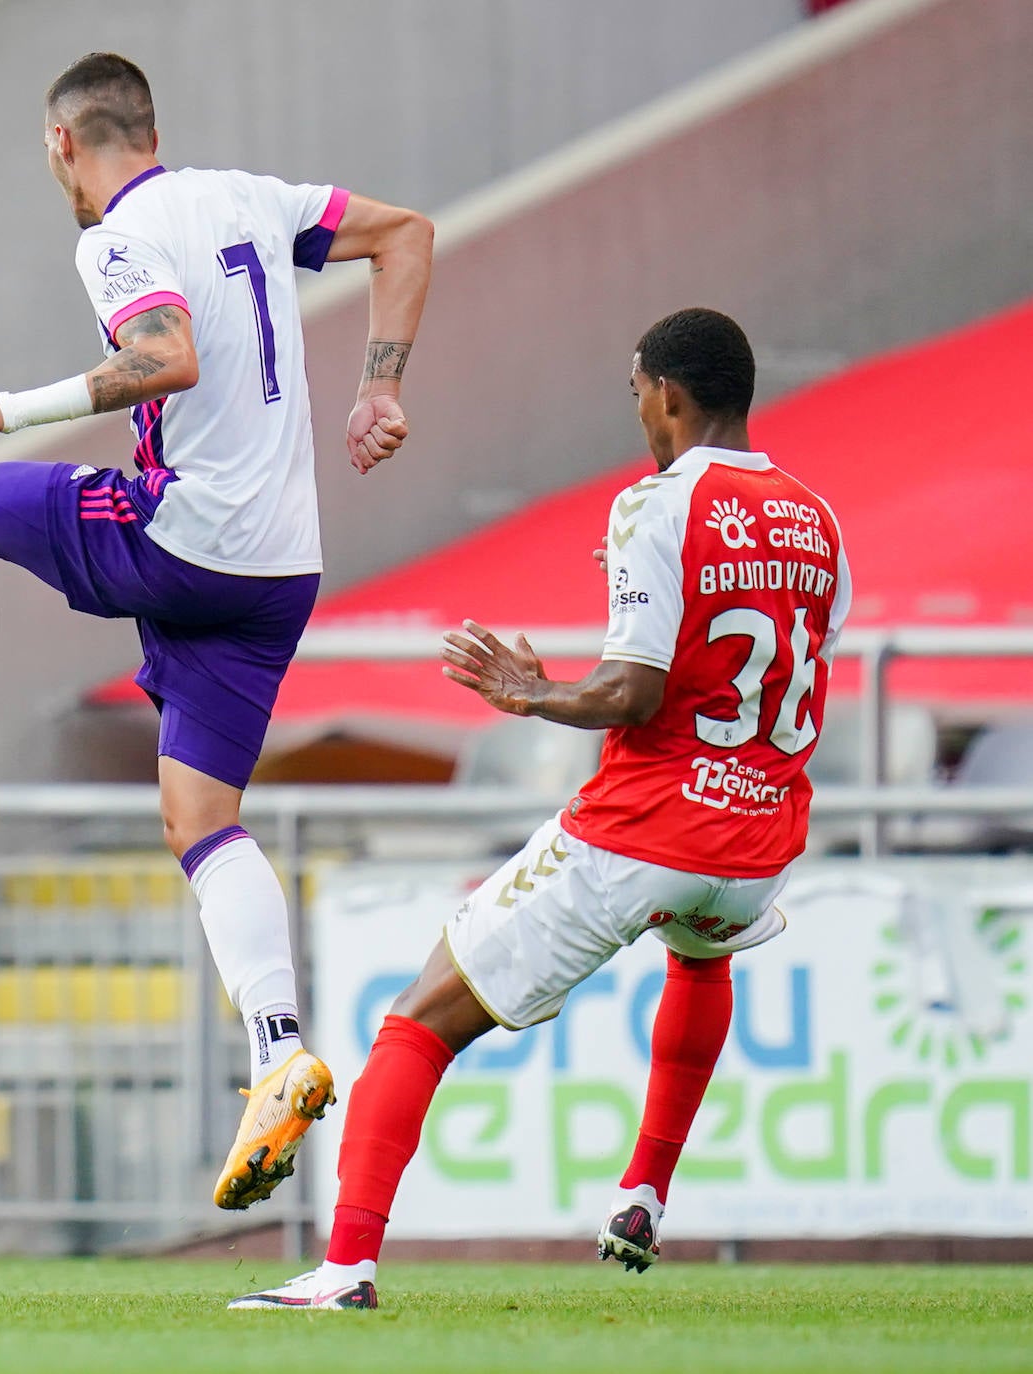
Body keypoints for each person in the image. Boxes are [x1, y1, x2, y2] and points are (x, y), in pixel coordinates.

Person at [0, 51, 433, 1212]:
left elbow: (167, 357)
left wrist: (15, 409)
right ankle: (279, 1050)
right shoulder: (255, 197)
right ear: (151, 125)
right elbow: (408, 233)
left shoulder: (115, 236)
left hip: (187, 538)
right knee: (201, 816)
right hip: (278, 570)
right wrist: (382, 386)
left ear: (63, 145)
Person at [230, 306, 852, 1310]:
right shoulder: (819, 520)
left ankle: (344, 1267)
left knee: (415, 1021)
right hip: (757, 846)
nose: (639, 410)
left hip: (647, 827)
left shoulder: (654, 506)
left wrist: (531, 696)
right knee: (704, 949)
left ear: (672, 395)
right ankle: (645, 1186)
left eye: (638, 390)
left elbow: (632, 694)